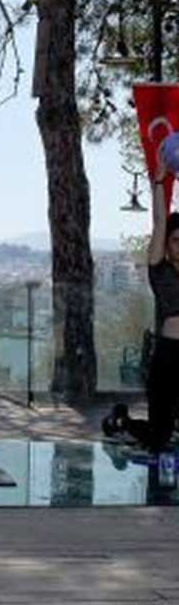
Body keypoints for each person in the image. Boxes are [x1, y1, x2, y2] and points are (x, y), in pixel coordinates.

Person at [144, 153, 179, 452]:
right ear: (167, 244)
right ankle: (123, 422)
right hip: (168, 355)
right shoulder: (160, 269)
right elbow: (158, 222)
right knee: (159, 435)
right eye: (177, 240)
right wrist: (159, 181)